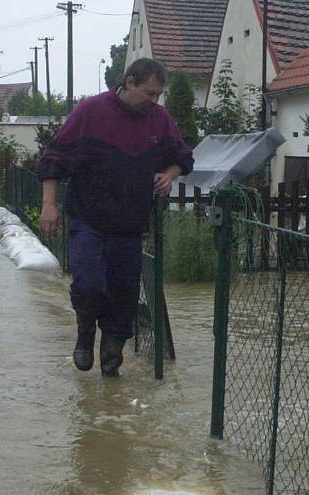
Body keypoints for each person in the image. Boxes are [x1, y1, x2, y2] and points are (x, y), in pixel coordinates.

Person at [38, 58, 193, 377]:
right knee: (89, 284)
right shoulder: (90, 112)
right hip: (88, 219)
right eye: (149, 93)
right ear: (130, 83)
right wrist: (48, 205)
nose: (154, 101)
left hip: (130, 224)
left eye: (159, 95)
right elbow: (54, 157)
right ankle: (85, 332)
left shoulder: (159, 120)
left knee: (123, 294)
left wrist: (169, 175)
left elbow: (182, 157)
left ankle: (112, 351)